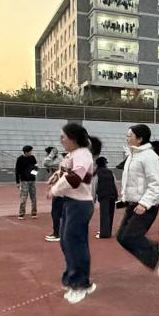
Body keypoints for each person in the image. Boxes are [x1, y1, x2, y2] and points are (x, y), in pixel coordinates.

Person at [49, 123, 96, 303]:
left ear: (73, 138)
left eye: (63, 136)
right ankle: (73, 277)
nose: (60, 140)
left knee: (74, 243)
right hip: (70, 203)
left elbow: (75, 179)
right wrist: (57, 175)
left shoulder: (83, 154)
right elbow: (67, 171)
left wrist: (54, 190)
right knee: (67, 242)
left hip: (80, 204)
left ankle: (81, 284)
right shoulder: (73, 155)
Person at [116, 124, 159, 275]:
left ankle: (157, 250)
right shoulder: (133, 156)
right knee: (121, 237)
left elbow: (156, 184)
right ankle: (154, 258)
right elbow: (130, 181)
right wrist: (124, 198)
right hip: (133, 204)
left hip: (146, 206)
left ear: (140, 139)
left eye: (130, 136)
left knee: (130, 236)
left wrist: (144, 204)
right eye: (127, 136)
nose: (127, 138)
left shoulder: (150, 157)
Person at [94, 149, 117, 239]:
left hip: (103, 195)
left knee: (104, 214)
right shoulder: (110, 172)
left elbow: (95, 185)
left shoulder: (96, 173)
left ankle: (104, 233)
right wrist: (117, 195)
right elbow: (114, 183)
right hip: (112, 195)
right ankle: (108, 231)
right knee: (110, 214)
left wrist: (93, 197)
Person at [44, 146, 63, 242]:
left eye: (47, 154)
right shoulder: (59, 160)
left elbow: (46, 163)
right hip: (59, 189)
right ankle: (59, 232)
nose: (46, 156)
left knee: (56, 212)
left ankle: (57, 234)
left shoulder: (58, 161)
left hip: (60, 190)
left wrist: (52, 153)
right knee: (59, 212)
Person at [15, 145, 39, 219]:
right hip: (24, 181)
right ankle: (21, 214)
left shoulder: (32, 158)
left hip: (32, 180)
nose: (31, 152)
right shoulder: (20, 159)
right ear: (26, 152)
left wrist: (33, 175)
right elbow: (17, 171)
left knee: (33, 197)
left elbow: (36, 167)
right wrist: (17, 182)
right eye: (30, 151)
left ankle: (34, 213)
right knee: (23, 197)